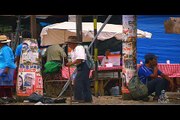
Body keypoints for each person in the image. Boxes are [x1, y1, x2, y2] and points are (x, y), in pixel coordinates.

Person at [66, 36, 92, 103]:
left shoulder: (79, 48)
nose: (69, 45)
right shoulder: (73, 50)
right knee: (84, 82)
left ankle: (79, 98)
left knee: (78, 82)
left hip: (84, 65)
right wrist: (71, 64)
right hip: (80, 66)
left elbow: (80, 59)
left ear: (74, 43)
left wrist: (71, 64)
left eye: (70, 43)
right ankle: (87, 98)